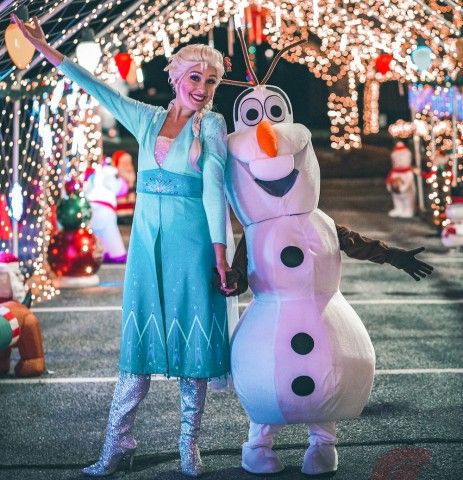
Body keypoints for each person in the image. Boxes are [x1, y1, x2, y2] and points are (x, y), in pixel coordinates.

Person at [12, 14, 236, 478]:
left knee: (193, 340)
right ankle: (117, 444)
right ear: (176, 77)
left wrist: (219, 254)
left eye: (211, 81)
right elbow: (95, 87)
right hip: (145, 248)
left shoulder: (211, 126)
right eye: (195, 77)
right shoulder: (147, 119)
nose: (203, 87)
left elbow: (214, 187)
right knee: (138, 343)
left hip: (193, 246)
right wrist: (46, 47)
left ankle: (188, 447)